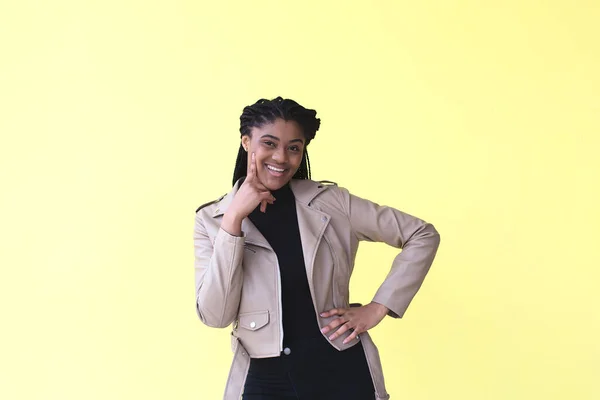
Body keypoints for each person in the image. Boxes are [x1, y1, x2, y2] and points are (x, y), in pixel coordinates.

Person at [194, 97, 440, 400]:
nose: (281, 157)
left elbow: (422, 234)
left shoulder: (332, 203)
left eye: (294, 147)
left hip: (340, 371)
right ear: (246, 141)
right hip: (263, 380)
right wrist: (233, 220)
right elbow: (215, 315)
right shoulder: (212, 219)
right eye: (269, 143)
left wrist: (379, 307)